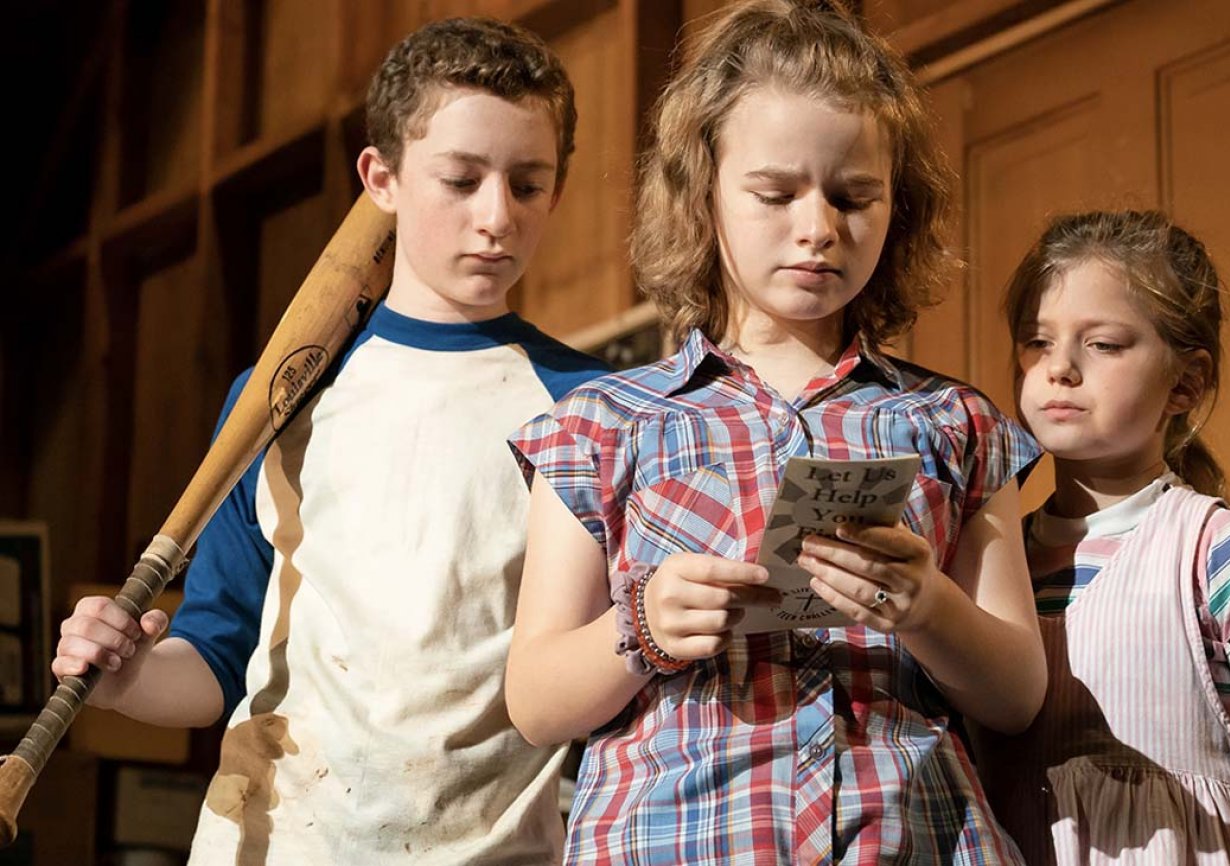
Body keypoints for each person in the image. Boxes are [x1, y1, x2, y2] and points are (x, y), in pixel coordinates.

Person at [51, 18, 605, 864]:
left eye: (528, 185)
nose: (496, 217)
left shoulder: (587, 407)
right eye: (460, 179)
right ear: (380, 178)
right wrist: (125, 681)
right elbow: (215, 660)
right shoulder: (279, 399)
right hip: (275, 843)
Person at [503, 2, 1047, 863]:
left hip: (910, 837)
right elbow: (534, 699)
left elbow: (1016, 694)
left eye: (853, 194)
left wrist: (926, 606)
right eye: (774, 193)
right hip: (671, 839)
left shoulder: (954, 421)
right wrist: (642, 623)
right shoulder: (604, 424)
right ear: (703, 196)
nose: (819, 226)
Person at [978, 209, 1230, 865]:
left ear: (1186, 382)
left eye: (1102, 344)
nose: (1061, 369)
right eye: (1037, 342)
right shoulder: (993, 562)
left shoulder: (1227, 559)